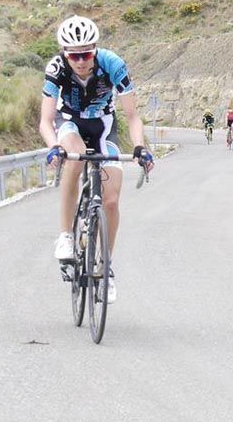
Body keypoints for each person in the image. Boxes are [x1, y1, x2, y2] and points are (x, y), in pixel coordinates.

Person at [39, 15, 154, 304]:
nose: (80, 61)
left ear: (95, 49)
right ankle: (66, 235)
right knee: (74, 159)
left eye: (86, 54)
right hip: (71, 123)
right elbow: (45, 120)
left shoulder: (113, 64)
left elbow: (132, 116)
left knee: (112, 201)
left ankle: (105, 270)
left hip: (104, 126)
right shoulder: (56, 68)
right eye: (74, 55)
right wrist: (54, 146)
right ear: (66, 54)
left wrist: (139, 147)